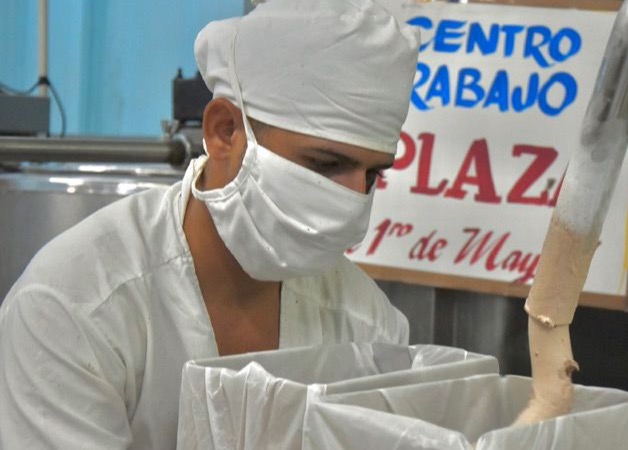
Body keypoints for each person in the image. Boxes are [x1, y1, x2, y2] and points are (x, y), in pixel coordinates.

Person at [0, 0, 420, 448]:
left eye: (374, 174)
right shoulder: (75, 307)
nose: (353, 197)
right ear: (224, 132)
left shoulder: (369, 327)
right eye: (325, 164)